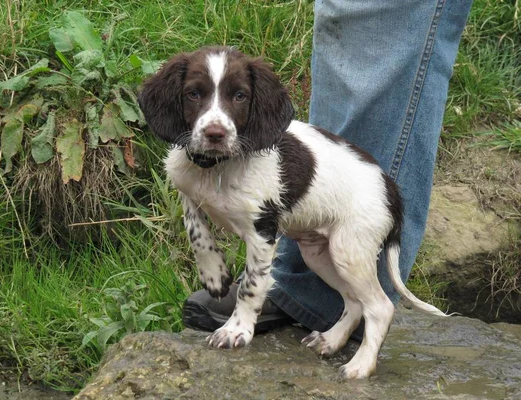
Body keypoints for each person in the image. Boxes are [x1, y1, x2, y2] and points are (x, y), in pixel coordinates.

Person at [183, 0, 474, 340]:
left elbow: (261, 231)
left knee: (386, 18)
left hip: (355, 203)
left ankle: (337, 301)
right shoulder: (189, 161)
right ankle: (309, 285)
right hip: (311, 204)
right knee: (345, 17)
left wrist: (244, 312)